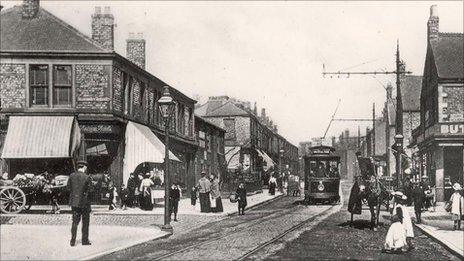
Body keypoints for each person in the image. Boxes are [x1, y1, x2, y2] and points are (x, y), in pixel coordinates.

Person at [67, 160, 92, 246]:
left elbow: (68, 188)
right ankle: (84, 241)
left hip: (74, 203)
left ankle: (72, 241)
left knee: (75, 222)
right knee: (85, 223)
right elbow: (91, 191)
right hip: (84, 204)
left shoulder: (71, 176)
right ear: (84, 167)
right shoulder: (87, 177)